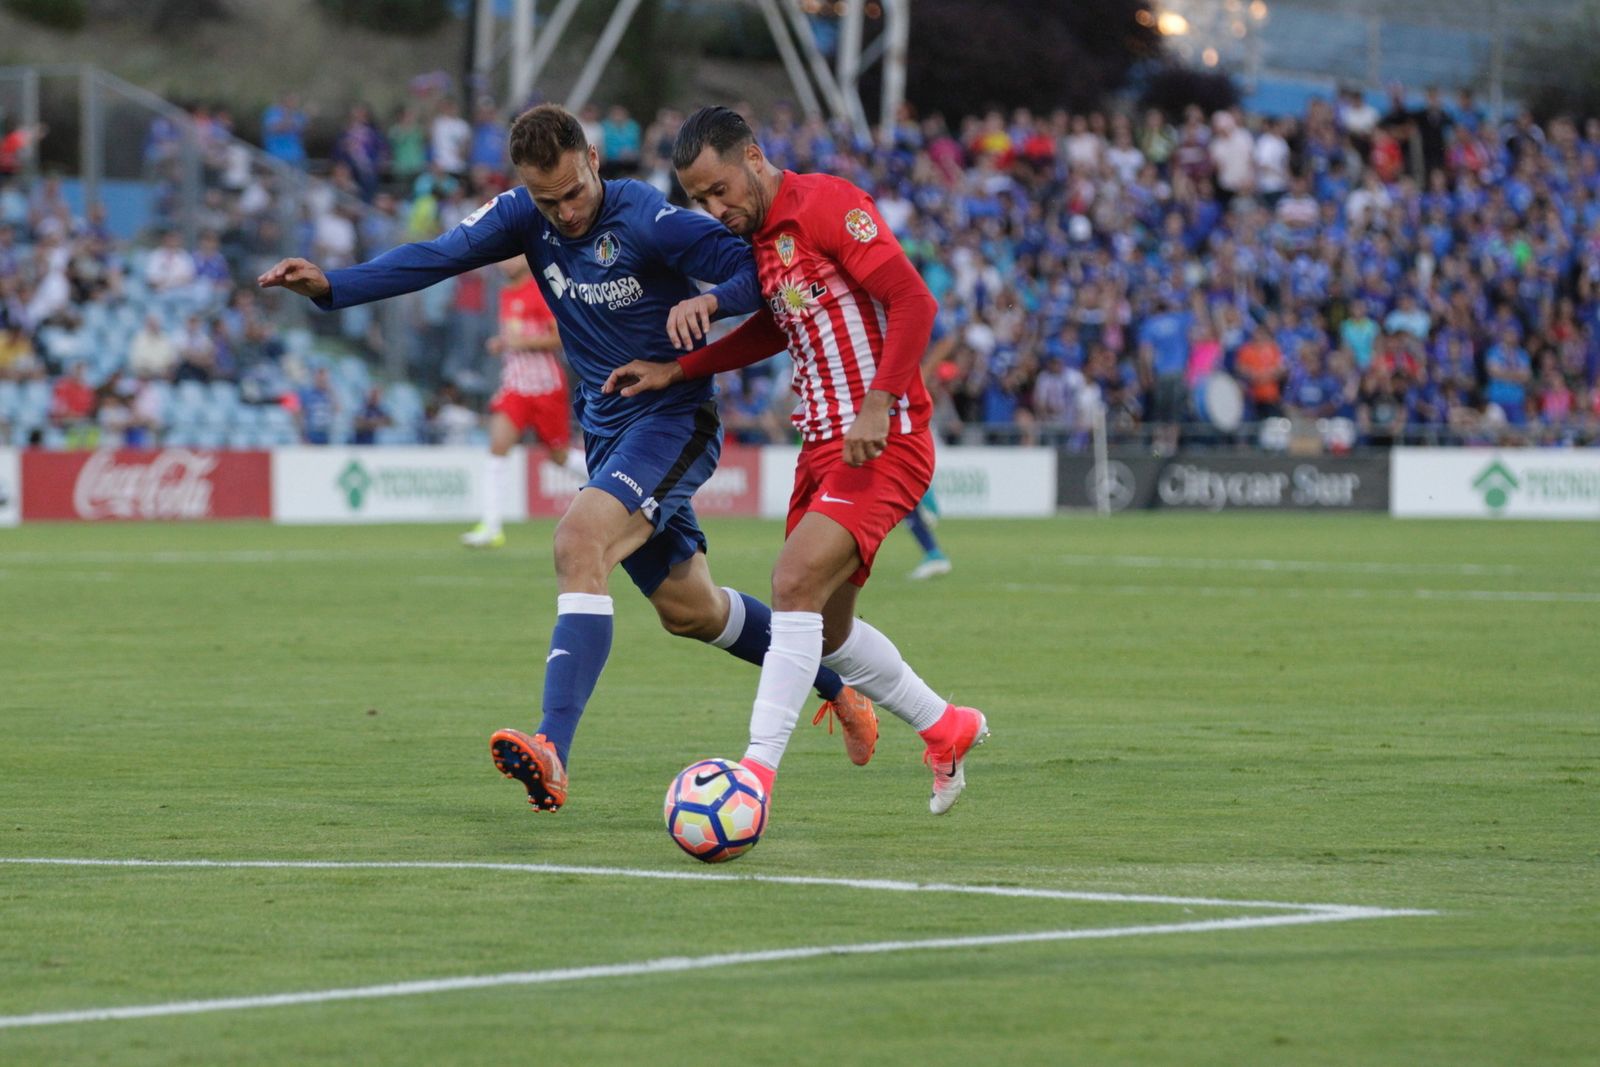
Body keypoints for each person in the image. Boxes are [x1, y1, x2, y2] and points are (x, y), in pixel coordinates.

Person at [258, 103, 875, 813]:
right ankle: (835, 684)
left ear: (591, 158)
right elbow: (436, 256)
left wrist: (710, 308)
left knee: (576, 540)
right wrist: (335, 287)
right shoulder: (526, 215)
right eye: (547, 200)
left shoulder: (648, 217)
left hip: (674, 417)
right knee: (691, 610)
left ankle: (551, 749)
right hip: (608, 430)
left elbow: (757, 265)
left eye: (574, 193)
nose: (566, 213)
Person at [606, 106, 989, 816]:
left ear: (753, 156)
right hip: (822, 447)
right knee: (828, 631)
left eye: (720, 190)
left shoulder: (828, 205)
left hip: (884, 436)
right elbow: (772, 329)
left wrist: (879, 401)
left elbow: (914, 300)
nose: (715, 210)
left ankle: (754, 776)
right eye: (699, 200)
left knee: (790, 583)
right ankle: (946, 726)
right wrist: (677, 368)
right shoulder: (763, 242)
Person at [462, 255, 588, 548]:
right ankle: (491, 527)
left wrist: (517, 343)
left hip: (546, 386)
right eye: (501, 259)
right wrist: (502, 343)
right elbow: (514, 337)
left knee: (559, 457)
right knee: (497, 449)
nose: (505, 263)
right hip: (515, 386)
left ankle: (619, 481)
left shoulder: (540, 291)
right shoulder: (505, 294)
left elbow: (560, 338)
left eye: (511, 257)